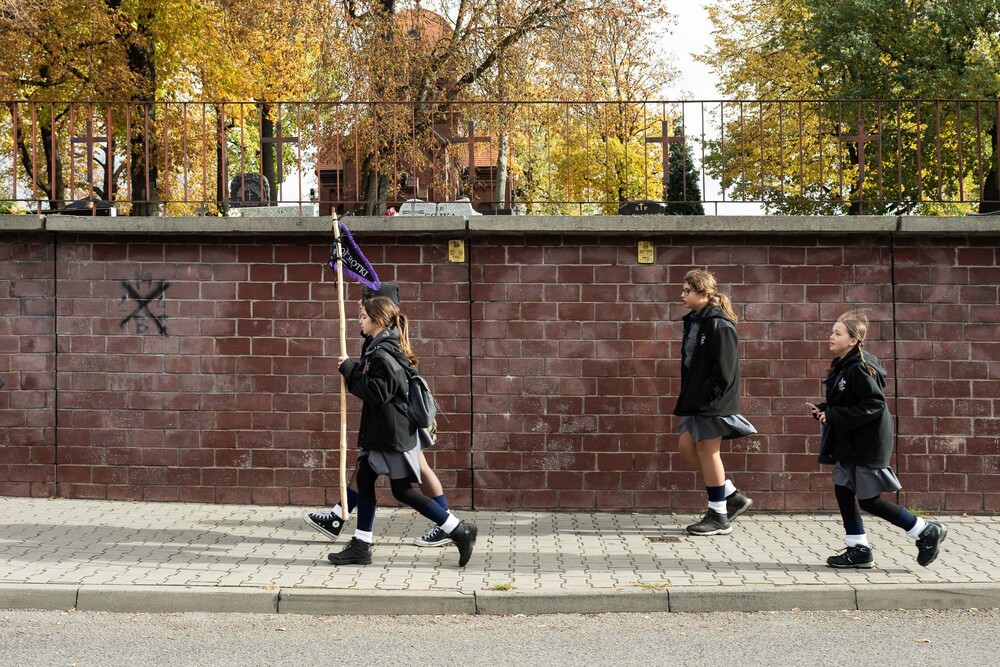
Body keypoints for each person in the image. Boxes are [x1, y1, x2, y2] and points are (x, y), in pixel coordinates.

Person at [325, 296, 477, 566]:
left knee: (402, 491)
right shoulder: (381, 346)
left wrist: (349, 371)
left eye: (363, 316)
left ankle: (458, 529)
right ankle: (361, 544)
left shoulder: (384, 353)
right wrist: (354, 369)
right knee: (368, 479)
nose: (359, 320)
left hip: (390, 435)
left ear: (378, 320)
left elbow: (378, 393)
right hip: (384, 433)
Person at [302, 282, 456, 548]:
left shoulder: (387, 344)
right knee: (367, 469)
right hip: (393, 420)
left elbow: (378, 386)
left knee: (408, 480)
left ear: (381, 310)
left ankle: (449, 524)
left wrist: (350, 371)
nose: (359, 307)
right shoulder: (384, 336)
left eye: (365, 303)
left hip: (397, 420)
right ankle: (343, 521)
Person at [806, 311, 946, 569]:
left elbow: (873, 406)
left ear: (853, 340)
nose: (831, 336)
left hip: (867, 444)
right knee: (843, 490)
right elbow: (851, 402)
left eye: (837, 333)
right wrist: (825, 410)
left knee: (870, 500)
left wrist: (834, 414)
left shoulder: (859, 368)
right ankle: (858, 548)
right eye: (832, 331)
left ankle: (923, 530)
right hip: (850, 443)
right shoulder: (844, 365)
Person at [674, 269, 756, 536]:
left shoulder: (719, 323)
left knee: (709, 453)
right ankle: (731, 495)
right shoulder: (696, 320)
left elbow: (724, 369)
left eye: (688, 290)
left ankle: (719, 515)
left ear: (704, 294)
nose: (682, 295)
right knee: (686, 447)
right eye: (684, 289)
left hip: (711, 402)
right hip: (696, 399)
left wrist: (708, 397)